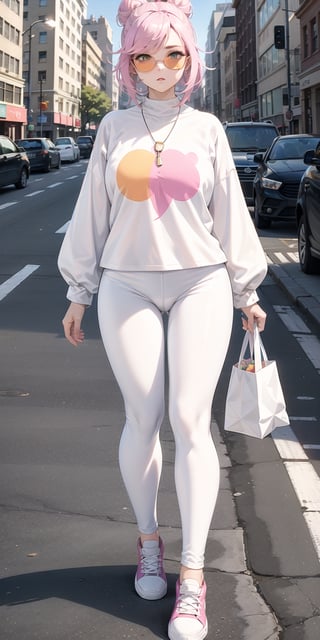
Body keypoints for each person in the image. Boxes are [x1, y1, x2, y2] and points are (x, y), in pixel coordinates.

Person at [58, 1, 267, 638]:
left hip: (201, 281)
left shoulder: (206, 129)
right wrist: (79, 290)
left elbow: (229, 210)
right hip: (125, 284)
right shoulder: (112, 130)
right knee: (143, 417)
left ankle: (195, 577)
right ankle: (149, 541)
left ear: (189, 61)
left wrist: (245, 289)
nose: (158, 68)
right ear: (130, 63)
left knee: (187, 419)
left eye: (171, 55)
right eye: (144, 57)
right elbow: (91, 211)